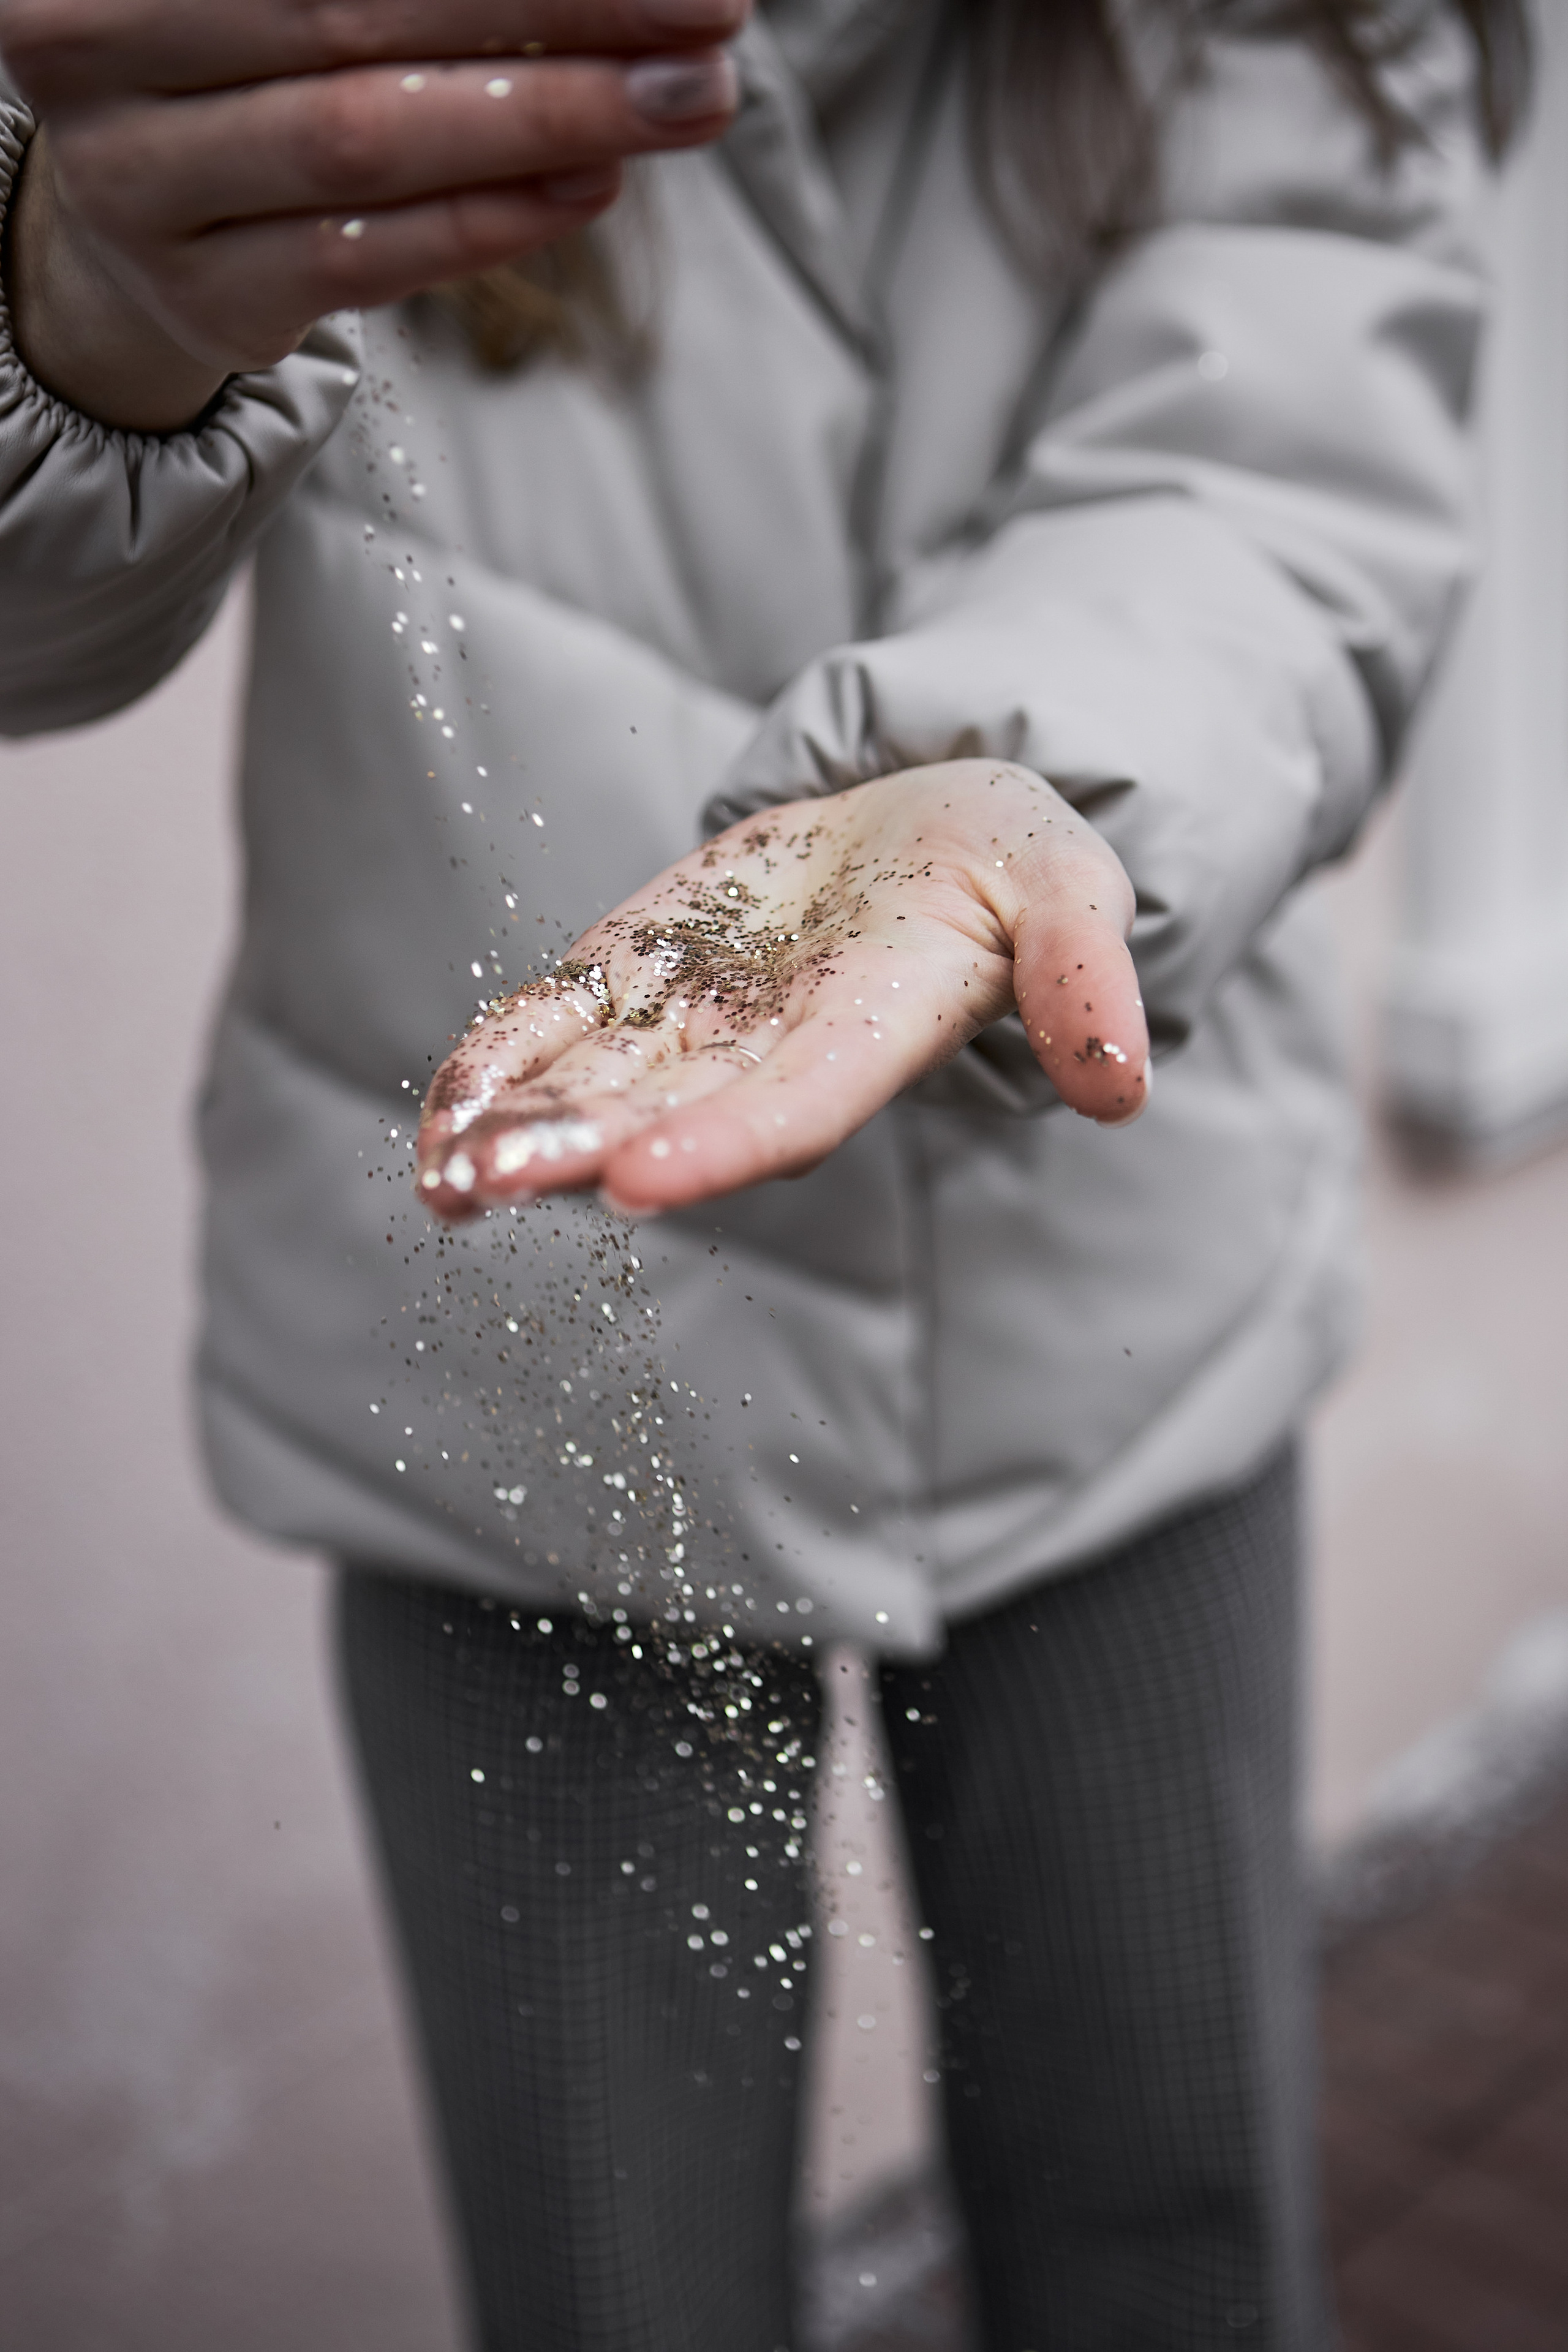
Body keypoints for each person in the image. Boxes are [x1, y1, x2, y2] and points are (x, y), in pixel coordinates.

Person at [0, 0, 1526, 2344]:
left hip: (1117, 1289)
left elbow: (1282, 467)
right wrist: (70, 325)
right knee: (615, 2290)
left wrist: (1033, 785)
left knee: (1172, 2257)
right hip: (521, 1321)